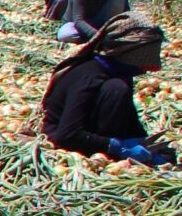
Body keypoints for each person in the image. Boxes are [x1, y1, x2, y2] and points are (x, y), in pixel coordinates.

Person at [42, 11, 173, 165]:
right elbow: (67, 135)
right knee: (116, 88)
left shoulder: (117, 72)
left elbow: (128, 115)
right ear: (128, 54)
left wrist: (143, 140)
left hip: (92, 133)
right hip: (64, 138)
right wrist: (116, 147)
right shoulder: (89, 77)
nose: (149, 68)